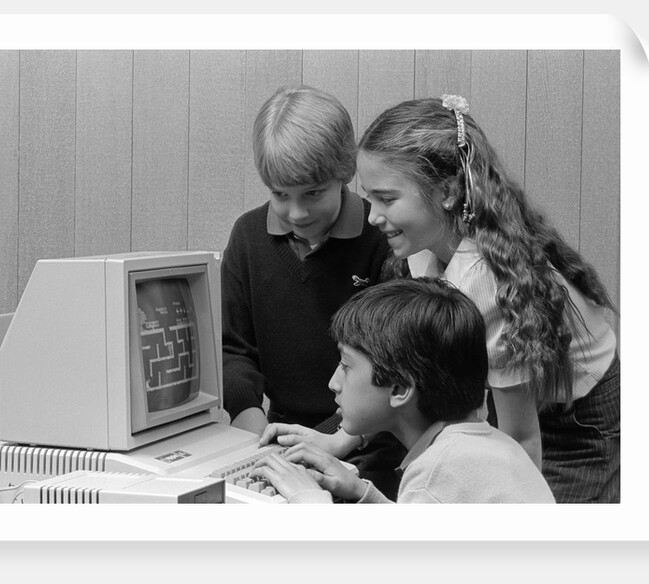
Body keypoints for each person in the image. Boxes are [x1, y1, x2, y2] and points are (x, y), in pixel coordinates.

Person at [351, 95, 620, 503]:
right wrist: (340, 441)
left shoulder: (483, 281)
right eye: (368, 197)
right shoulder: (423, 247)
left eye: (387, 199)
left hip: (575, 423)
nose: (372, 216)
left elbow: (521, 443)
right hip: (512, 404)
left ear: (446, 191)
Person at [220, 85, 407, 498]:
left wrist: (329, 440)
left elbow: (394, 368)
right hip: (280, 436)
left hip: (371, 444)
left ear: (344, 174)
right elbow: (233, 351)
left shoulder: (383, 240)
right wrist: (261, 439)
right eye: (280, 195)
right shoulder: (248, 236)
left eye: (313, 193)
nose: (297, 212)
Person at [250, 278, 555, 504]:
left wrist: (310, 502)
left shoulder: (437, 472)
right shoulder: (489, 447)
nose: (334, 383)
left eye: (345, 365)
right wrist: (363, 493)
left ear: (399, 389)